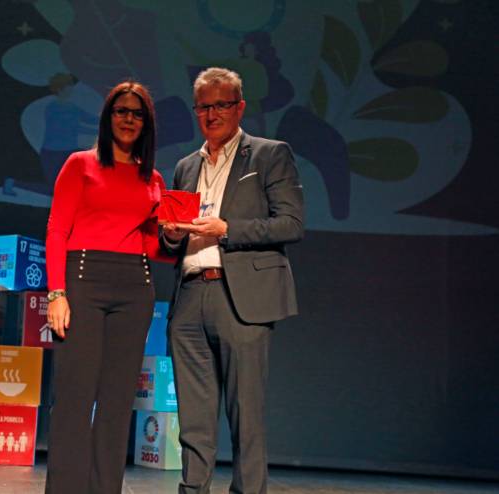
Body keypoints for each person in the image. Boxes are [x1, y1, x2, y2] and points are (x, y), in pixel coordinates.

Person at [161, 67, 304, 494]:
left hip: (240, 296)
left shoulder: (268, 154)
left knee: (246, 413)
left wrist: (228, 229)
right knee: (193, 416)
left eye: (221, 105)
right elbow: (173, 237)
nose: (212, 114)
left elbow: (291, 223)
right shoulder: (186, 166)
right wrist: (171, 236)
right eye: (204, 107)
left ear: (239, 107)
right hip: (189, 296)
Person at [45, 80, 167, 494]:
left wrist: (176, 236)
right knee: (74, 398)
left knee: (116, 402)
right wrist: (56, 294)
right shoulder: (80, 164)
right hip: (83, 280)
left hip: (136, 286)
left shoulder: (153, 178)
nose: (128, 119)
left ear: (146, 122)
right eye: (121, 111)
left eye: (137, 113)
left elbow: (152, 246)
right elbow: (57, 229)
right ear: (108, 116)